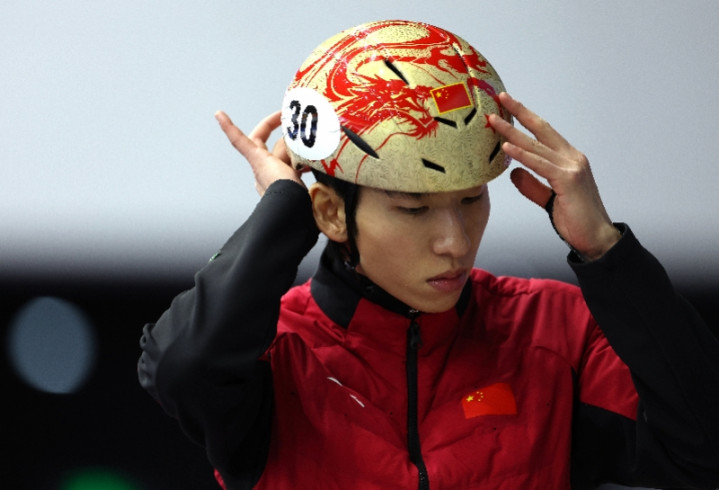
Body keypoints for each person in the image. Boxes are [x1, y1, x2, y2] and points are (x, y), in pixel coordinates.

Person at [137, 20, 719, 489]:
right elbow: (182, 368)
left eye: (471, 200)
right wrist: (282, 213)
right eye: (414, 210)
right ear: (331, 214)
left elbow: (705, 451)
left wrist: (606, 249)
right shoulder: (275, 351)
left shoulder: (556, 331)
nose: (456, 242)